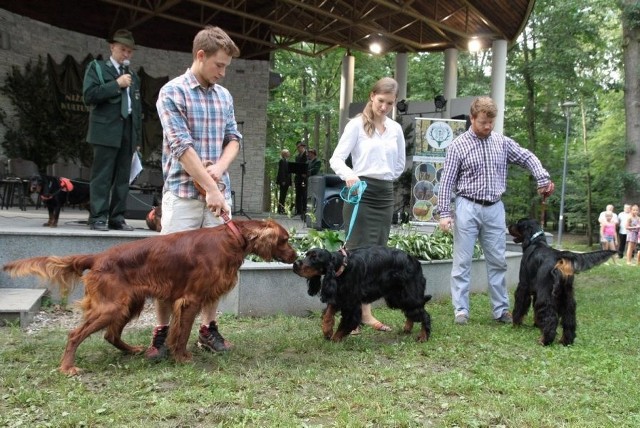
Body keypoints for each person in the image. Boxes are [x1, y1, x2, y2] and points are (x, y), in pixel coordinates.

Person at [147, 26, 242, 359]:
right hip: (184, 194)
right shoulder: (172, 93)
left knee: (216, 267)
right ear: (200, 56)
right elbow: (180, 146)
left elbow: (233, 139)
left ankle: (207, 329)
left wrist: (220, 169)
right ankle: (161, 333)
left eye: (226, 66)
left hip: (217, 193)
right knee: (167, 268)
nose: (223, 72)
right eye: (219, 65)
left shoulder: (224, 96)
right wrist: (209, 186)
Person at [437, 96, 555, 325]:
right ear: (472, 118)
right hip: (466, 207)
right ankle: (461, 310)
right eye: (483, 122)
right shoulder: (457, 146)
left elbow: (527, 156)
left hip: (494, 208)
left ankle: (501, 310)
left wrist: (542, 177)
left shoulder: (502, 142)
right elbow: (447, 182)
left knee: (498, 261)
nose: (488, 126)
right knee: (462, 261)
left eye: (491, 122)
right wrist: (444, 214)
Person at [329, 77, 406, 334]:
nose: (384, 107)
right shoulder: (356, 126)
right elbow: (336, 159)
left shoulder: (395, 129)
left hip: (384, 195)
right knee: (354, 256)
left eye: (389, 103)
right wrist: (351, 175)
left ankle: (365, 314)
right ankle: (350, 314)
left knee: (376, 257)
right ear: (372, 96)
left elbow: (399, 165)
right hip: (360, 192)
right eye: (381, 101)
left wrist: (385, 178)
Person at [83, 28, 142, 231]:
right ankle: (98, 217)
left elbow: (137, 109)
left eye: (130, 51)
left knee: (123, 178)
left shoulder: (133, 76)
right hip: (105, 130)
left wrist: (137, 139)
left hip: (127, 130)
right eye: (123, 50)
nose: (126, 54)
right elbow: (89, 95)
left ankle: (117, 217)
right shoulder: (98, 68)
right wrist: (116, 84)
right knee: (102, 176)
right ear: (112, 47)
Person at [294, 141, 308, 216]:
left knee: (304, 194)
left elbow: (308, 165)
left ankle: (304, 210)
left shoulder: (307, 155)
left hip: (304, 178)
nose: (298, 149)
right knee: (298, 194)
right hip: (298, 177)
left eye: (299, 147)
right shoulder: (297, 156)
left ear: (302, 146)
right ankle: (298, 210)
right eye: (297, 147)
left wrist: (305, 173)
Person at [276, 149, 291, 214]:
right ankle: (280, 209)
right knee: (282, 195)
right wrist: (283, 180)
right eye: (288, 152)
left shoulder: (286, 161)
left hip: (287, 181)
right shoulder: (282, 161)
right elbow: (281, 171)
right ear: (284, 154)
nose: (289, 153)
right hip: (284, 181)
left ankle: (282, 209)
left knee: (284, 195)